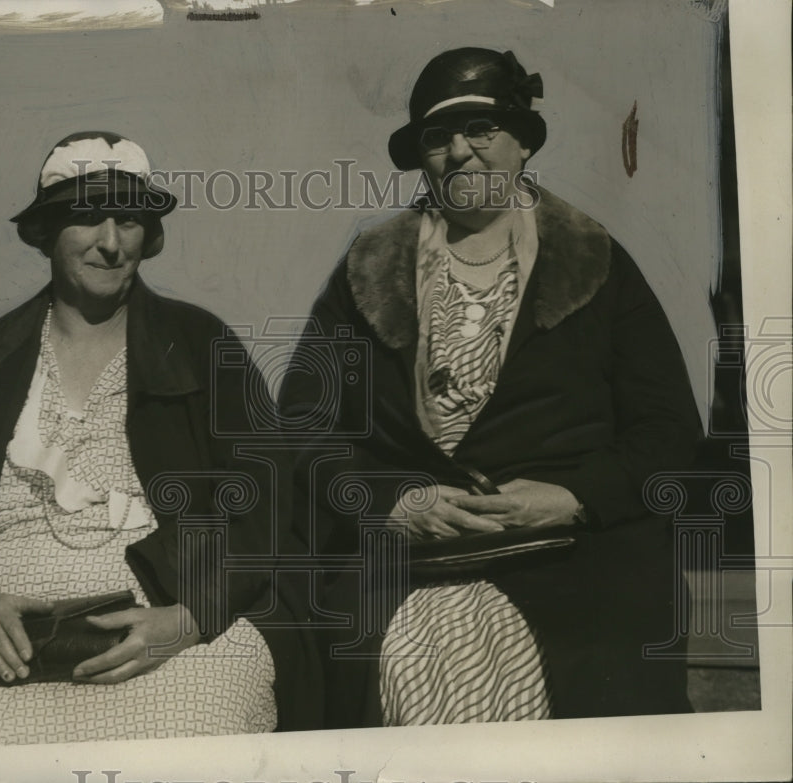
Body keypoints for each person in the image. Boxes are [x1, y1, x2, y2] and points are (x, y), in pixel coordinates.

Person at [278, 48, 702, 727]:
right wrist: (392, 501)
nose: (461, 152)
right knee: (401, 666)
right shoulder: (371, 266)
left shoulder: (593, 260)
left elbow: (669, 432)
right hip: (408, 562)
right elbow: (301, 427)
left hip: (574, 559)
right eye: (438, 137)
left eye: (481, 129)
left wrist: (572, 497)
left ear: (522, 144)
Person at [0, 131, 318, 748]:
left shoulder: (203, 345)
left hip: (174, 612)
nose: (109, 241)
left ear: (148, 236)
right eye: (85, 216)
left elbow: (268, 502)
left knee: (198, 734)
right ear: (47, 232)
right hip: (6, 625)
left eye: (128, 218)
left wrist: (186, 620)